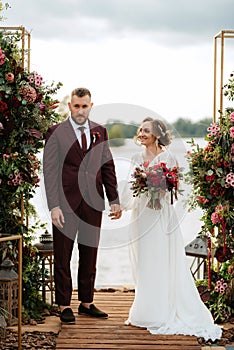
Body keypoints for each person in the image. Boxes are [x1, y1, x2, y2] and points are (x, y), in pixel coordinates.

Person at [121, 117, 222, 341]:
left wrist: (160, 185)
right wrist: (121, 207)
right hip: (142, 215)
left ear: (157, 134)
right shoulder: (136, 157)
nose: (142, 133)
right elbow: (130, 187)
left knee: (162, 259)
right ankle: (146, 310)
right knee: (146, 259)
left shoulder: (168, 157)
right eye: (140, 130)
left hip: (161, 215)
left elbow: (177, 188)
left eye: (146, 130)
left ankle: (164, 309)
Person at [43, 87, 122, 323]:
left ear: (90, 105)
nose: (80, 110)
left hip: (93, 202)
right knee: (63, 254)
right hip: (65, 204)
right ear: (69, 106)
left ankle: (86, 302)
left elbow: (107, 166)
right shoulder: (55, 132)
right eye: (76, 106)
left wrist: (114, 199)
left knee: (90, 253)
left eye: (84, 106)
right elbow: (50, 171)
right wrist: (54, 206)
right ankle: (64, 305)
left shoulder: (100, 131)